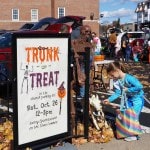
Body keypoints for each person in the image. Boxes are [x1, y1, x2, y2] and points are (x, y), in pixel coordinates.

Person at [103, 61, 144, 141]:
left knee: (134, 117)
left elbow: (140, 86)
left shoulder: (129, 78)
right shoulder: (118, 80)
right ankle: (130, 132)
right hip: (129, 100)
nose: (112, 77)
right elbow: (118, 92)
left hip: (137, 100)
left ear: (117, 70)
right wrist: (109, 99)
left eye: (112, 75)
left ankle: (134, 135)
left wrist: (128, 89)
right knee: (129, 116)